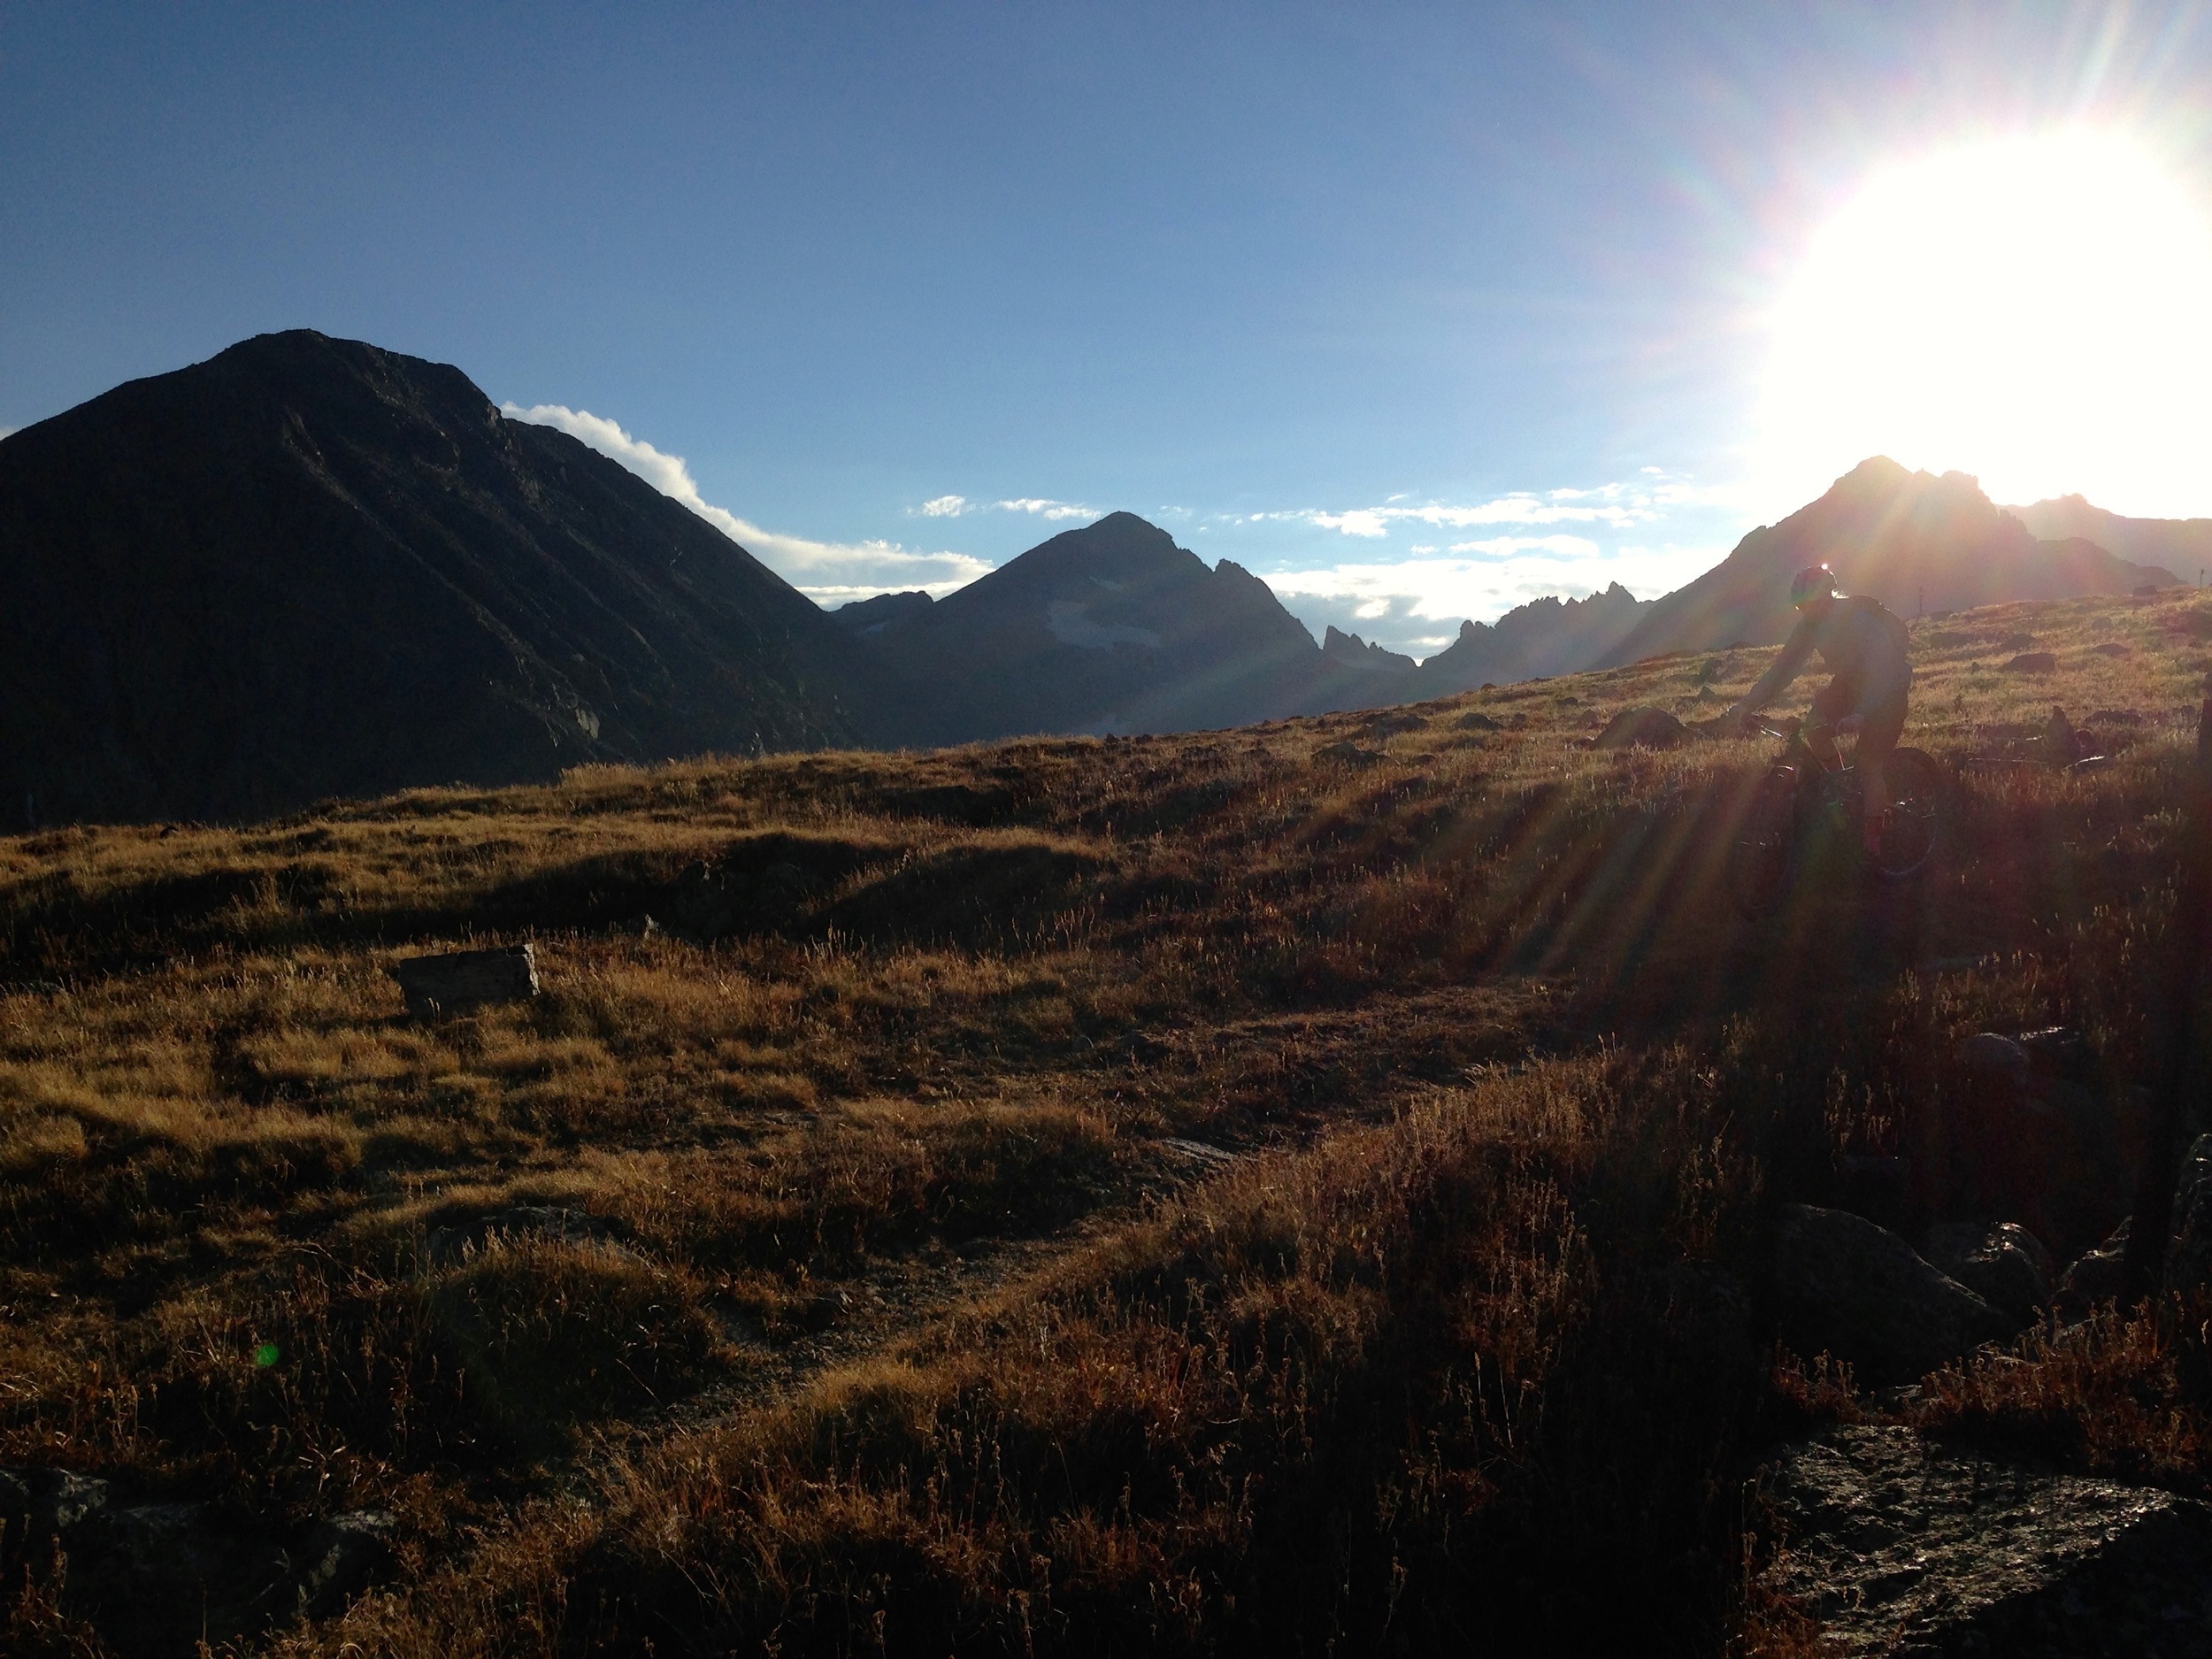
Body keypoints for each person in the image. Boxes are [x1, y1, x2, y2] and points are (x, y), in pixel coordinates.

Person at [1726, 565, 1912, 854]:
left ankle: (1873, 849)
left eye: (1810, 603)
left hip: (1889, 686)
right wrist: (1746, 705)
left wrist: (1861, 714)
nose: (1805, 611)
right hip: (1850, 683)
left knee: (1869, 765)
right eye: (1800, 606)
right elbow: (1782, 671)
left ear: (1828, 596)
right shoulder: (1809, 626)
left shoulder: (1859, 620)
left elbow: (1883, 671)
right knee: (1814, 726)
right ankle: (1843, 789)